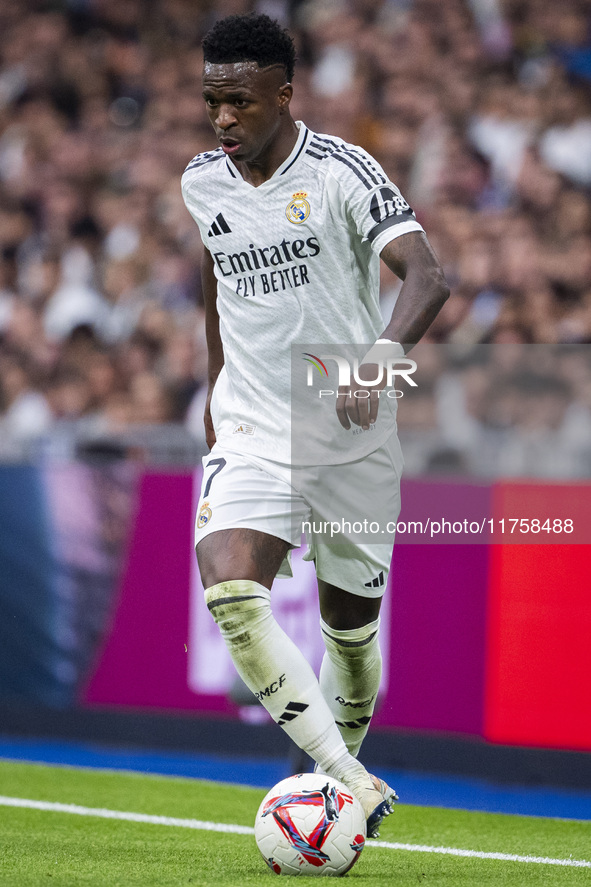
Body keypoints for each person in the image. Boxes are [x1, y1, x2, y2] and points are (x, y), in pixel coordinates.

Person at [181, 12, 449, 838]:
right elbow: (216, 285)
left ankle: (340, 778)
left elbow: (428, 277)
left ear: (285, 95)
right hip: (253, 429)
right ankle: (345, 783)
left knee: (352, 641)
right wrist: (215, 387)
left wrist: (377, 357)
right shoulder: (201, 180)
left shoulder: (340, 170)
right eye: (211, 101)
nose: (223, 119)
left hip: (347, 437)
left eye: (241, 102)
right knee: (228, 584)